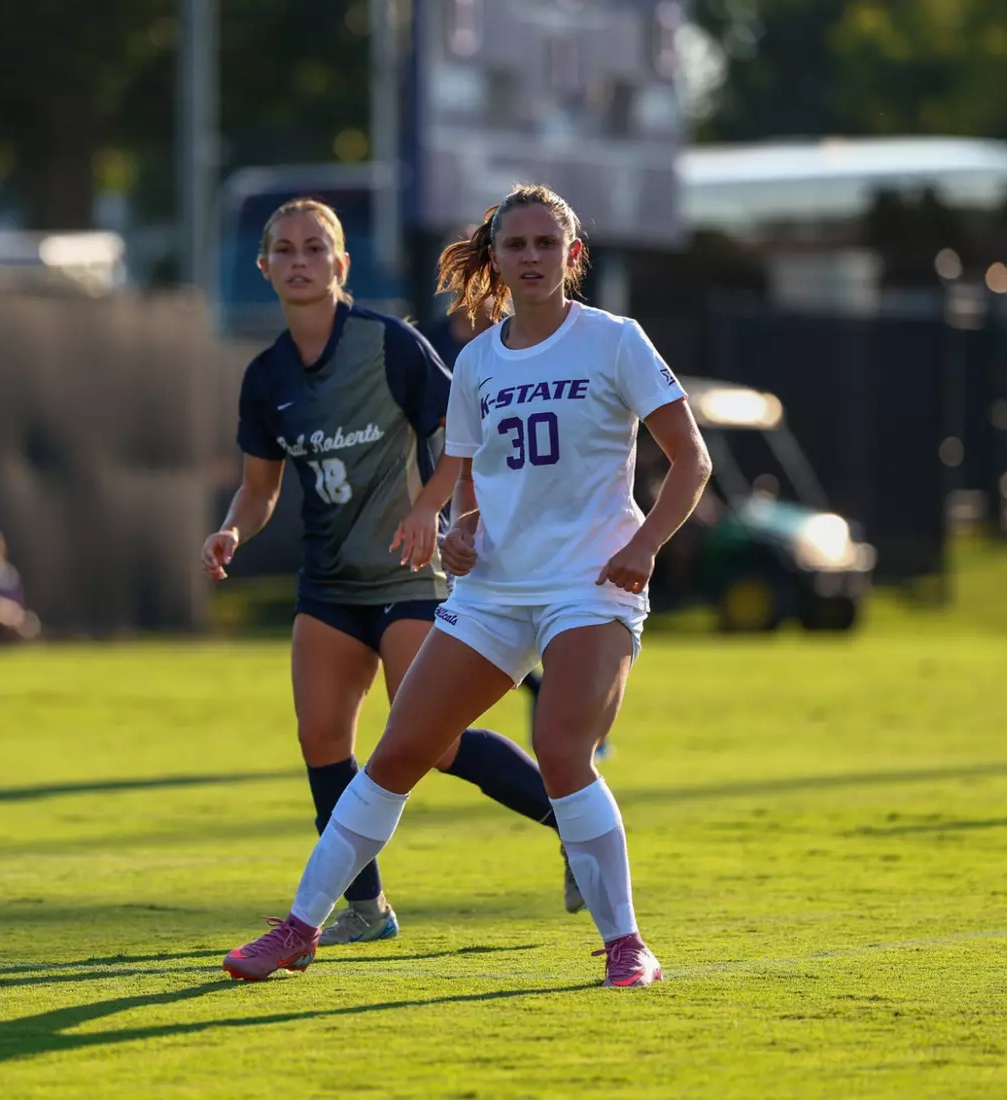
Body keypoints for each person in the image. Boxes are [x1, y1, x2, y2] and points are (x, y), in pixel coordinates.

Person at [222, 183, 713, 986]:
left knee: (562, 752)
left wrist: (648, 545)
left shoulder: (615, 340)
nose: (529, 258)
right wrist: (462, 525)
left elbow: (692, 461)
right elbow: (474, 470)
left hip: (590, 586)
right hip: (493, 593)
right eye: (513, 245)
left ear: (572, 256)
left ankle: (627, 945)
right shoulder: (480, 360)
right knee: (396, 753)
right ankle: (301, 928)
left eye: (544, 244)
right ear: (495, 259)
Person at [202, 197, 577, 948]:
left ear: (341, 265)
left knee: (434, 743)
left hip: (412, 576)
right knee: (321, 742)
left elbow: (460, 431)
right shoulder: (265, 375)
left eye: (316, 248)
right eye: (285, 249)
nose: (301, 261)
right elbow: (261, 486)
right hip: (331, 586)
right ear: (265, 266)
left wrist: (431, 509)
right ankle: (368, 910)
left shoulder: (388, 344)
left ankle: (573, 822)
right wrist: (233, 528)